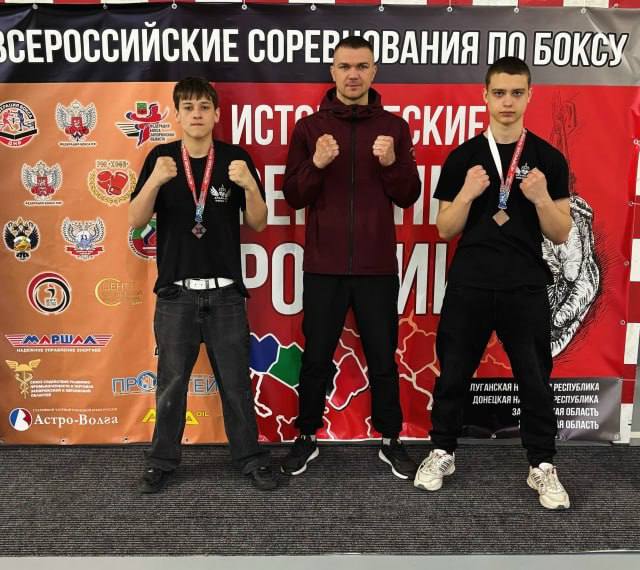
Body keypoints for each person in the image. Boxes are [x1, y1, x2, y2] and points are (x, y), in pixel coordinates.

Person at [414, 57, 572, 509]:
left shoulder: (548, 158)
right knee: (453, 372)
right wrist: (466, 193)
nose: (507, 102)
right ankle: (442, 451)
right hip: (471, 283)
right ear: (484, 96)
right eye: (499, 93)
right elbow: (444, 228)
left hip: (525, 285)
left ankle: (542, 464)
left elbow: (561, 232)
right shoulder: (463, 157)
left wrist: (541, 198)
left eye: (516, 93)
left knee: (535, 378)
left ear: (530, 96)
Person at [281, 36, 421, 480]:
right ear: (333, 72)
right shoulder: (309, 128)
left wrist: (392, 162)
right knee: (316, 356)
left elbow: (409, 194)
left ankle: (391, 438)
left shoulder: (395, 127)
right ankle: (306, 436)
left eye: (362, 66)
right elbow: (293, 195)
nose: (353, 74)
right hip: (323, 266)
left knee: (383, 357)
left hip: (377, 266)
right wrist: (317, 163)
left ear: (374, 71)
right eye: (345, 66)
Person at [128, 77, 277, 493]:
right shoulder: (161, 158)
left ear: (216, 114)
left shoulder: (235, 159)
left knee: (235, 383)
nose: (197, 114)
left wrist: (249, 185)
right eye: (189, 107)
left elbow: (259, 221)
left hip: (226, 292)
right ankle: (161, 461)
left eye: (204, 107)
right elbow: (135, 221)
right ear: (177, 114)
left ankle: (250, 458)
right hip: (176, 293)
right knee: (171, 384)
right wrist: (155, 181)